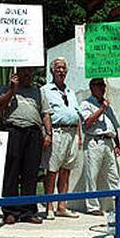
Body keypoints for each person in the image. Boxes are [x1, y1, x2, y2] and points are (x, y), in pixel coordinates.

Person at [0, 67, 53, 224]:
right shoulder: (6, 89)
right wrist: (12, 90)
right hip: (14, 132)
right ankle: (10, 212)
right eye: (24, 71)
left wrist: (48, 133)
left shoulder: (39, 92)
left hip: (33, 134)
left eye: (29, 71)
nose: (27, 74)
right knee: (11, 172)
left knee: (31, 173)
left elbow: (45, 114)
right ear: (16, 73)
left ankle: (28, 211)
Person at [41, 57, 81, 220]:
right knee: (52, 171)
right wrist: (47, 134)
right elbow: (44, 114)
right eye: (58, 67)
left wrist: (78, 136)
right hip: (56, 133)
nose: (61, 70)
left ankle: (61, 206)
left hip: (72, 134)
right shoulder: (45, 90)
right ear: (52, 70)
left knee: (66, 170)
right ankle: (49, 206)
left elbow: (76, 114)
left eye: (64, 68)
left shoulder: (71, 92)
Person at [80, 78, 120, 215]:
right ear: (92, 87)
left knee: (114, 175)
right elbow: (88, 122)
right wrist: (102, 108)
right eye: (99, 85)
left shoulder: (108, 106)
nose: (102, 88)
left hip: (109, 141)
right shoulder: (86, 104)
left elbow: (114, 125)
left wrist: (117, 144)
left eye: (103, 85)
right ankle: (92, 206)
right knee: (92, 175)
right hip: (94, 141)